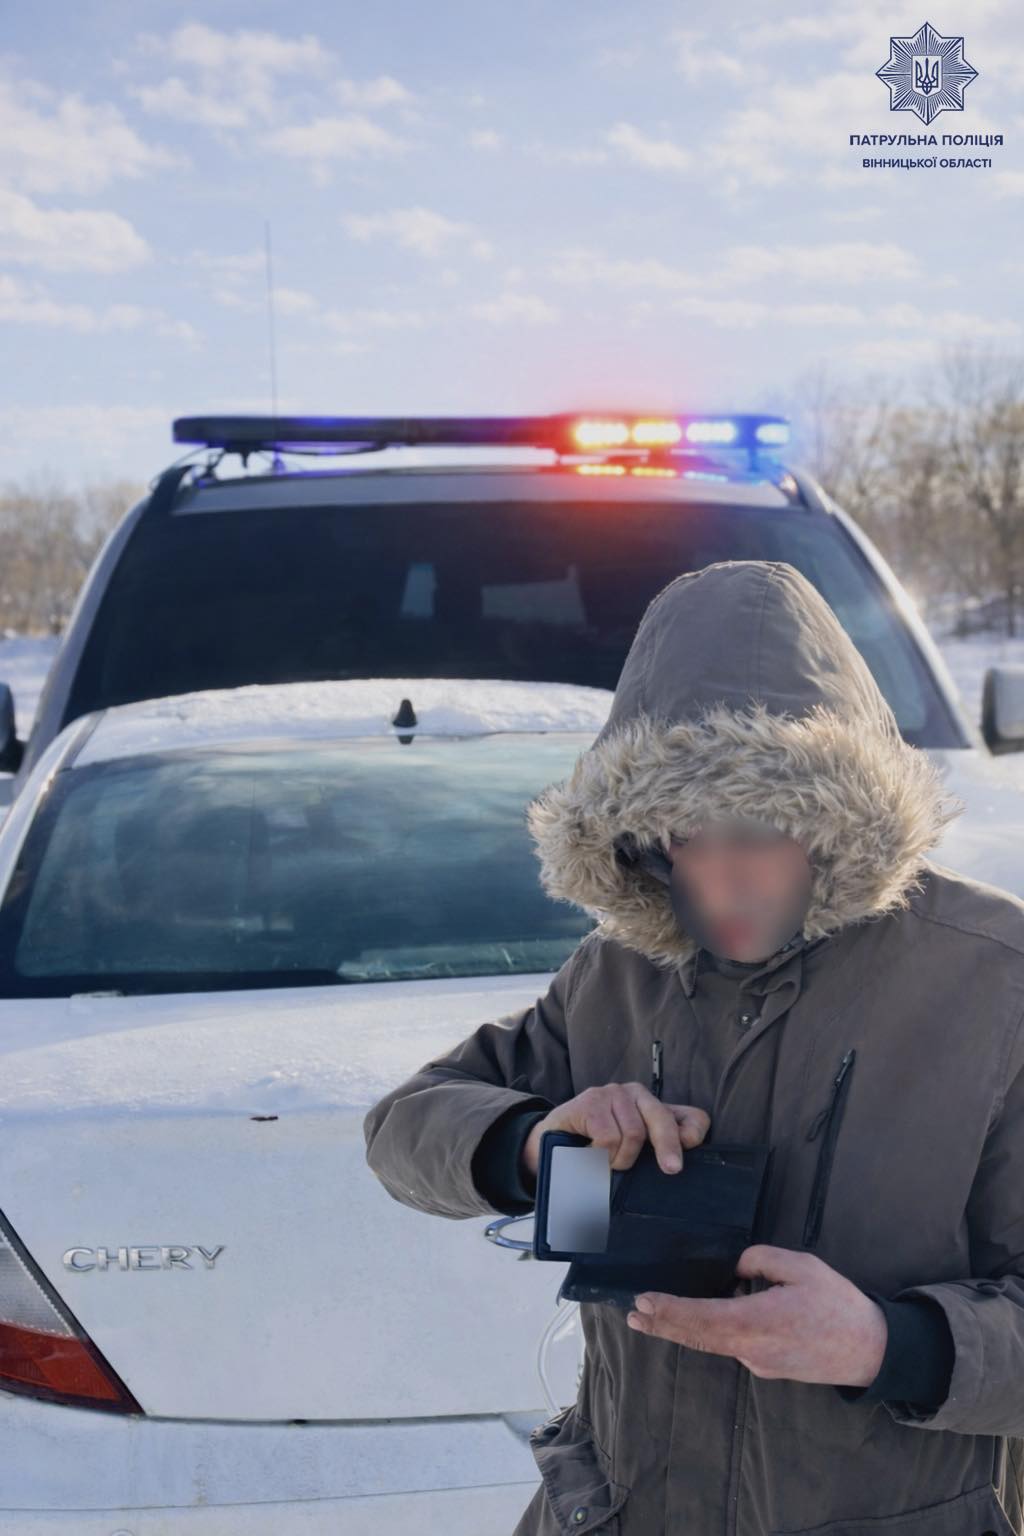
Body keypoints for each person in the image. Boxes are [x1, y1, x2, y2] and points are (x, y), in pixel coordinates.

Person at [363, 559, 1024, 1536]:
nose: (721, 879)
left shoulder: (993, 984)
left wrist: (889, 1345)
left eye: (760, 829)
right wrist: (537, 1144)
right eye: (685, 833)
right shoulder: (619, 970)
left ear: (837, 818)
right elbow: (403, 1129)